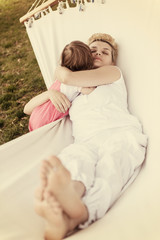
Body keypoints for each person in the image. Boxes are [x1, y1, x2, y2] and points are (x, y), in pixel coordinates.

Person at [34, 33, 147, 240]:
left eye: (105, 52)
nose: (98, 54)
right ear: (85, 54)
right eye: (93, 50)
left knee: (111, 167)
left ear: (112, 60)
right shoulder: (72, 87)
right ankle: (69, 200)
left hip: (121, 133)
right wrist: (50, 93)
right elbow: (27, 108)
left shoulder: (113, 73)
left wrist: (60, 69)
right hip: (86, 141)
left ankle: (84, 212)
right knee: (74, 160)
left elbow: (66, 76)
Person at [24, 41, 94, 131]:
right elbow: (89, 91)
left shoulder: (59, 77)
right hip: (46, 120)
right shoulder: (75, 82)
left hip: (36, 115)